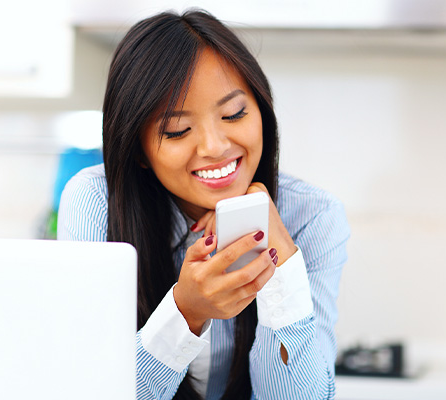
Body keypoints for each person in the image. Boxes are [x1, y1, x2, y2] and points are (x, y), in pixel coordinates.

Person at [57, 9, 350, 400]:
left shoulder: (312, 216)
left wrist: (282, 269)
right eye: (177, 130)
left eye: (234, 114)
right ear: (139, 148)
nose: (214, 147)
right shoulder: (95, 202)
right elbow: (88, 391)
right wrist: (185, 312)